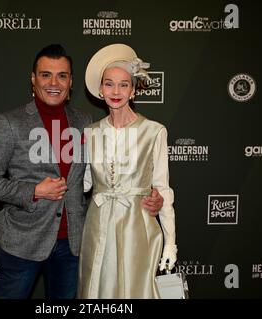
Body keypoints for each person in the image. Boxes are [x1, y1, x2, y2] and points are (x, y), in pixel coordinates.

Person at [0, 44, 164, 299]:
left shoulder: (85, 123)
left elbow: (112, 171)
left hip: (73, 244)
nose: (54, 82)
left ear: (70, 82)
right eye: (45, 75)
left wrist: (151, 195)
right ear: (33, 79)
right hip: (23, 242)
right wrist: (33, 191)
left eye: (62, 75)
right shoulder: (10, 122)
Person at [78, 43, 178, 298]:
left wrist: (171, 245)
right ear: (100, 89)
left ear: (133, 90)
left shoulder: (154, 131)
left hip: (139, 228)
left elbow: (163, 188)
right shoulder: (90, 133)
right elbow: (84, 183)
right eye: (109, 83)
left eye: (124, 84)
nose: (116, 91)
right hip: (98, 227)